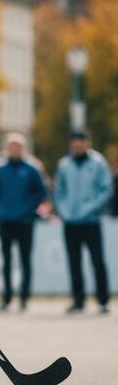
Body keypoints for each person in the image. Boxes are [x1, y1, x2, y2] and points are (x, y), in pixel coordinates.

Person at [53, 131, 112, 314]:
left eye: (81, 143)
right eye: (75, 143)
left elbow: (106, 189)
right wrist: (64, 211)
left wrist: (91, 208)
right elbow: (58, 191)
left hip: (91, 221)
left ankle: (103, 300)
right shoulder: (64, 165)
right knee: (74, 262)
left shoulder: (98, 163)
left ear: (87, 143)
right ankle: (78, 301)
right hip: (70, 222)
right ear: (71, 144)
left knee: (97, 260)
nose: (78, 146)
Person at [0, 133, 46, 311]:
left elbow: (41, 192)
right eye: (11, 145)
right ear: (6, 148)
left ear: (23, 148)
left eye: (18, 146)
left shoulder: (32, 168)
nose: (14, 149)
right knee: (6, 261)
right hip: (5, 221)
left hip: (25, 222)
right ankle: (6, 297)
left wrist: (28, 211)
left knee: (25, 260)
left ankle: (24, 297)